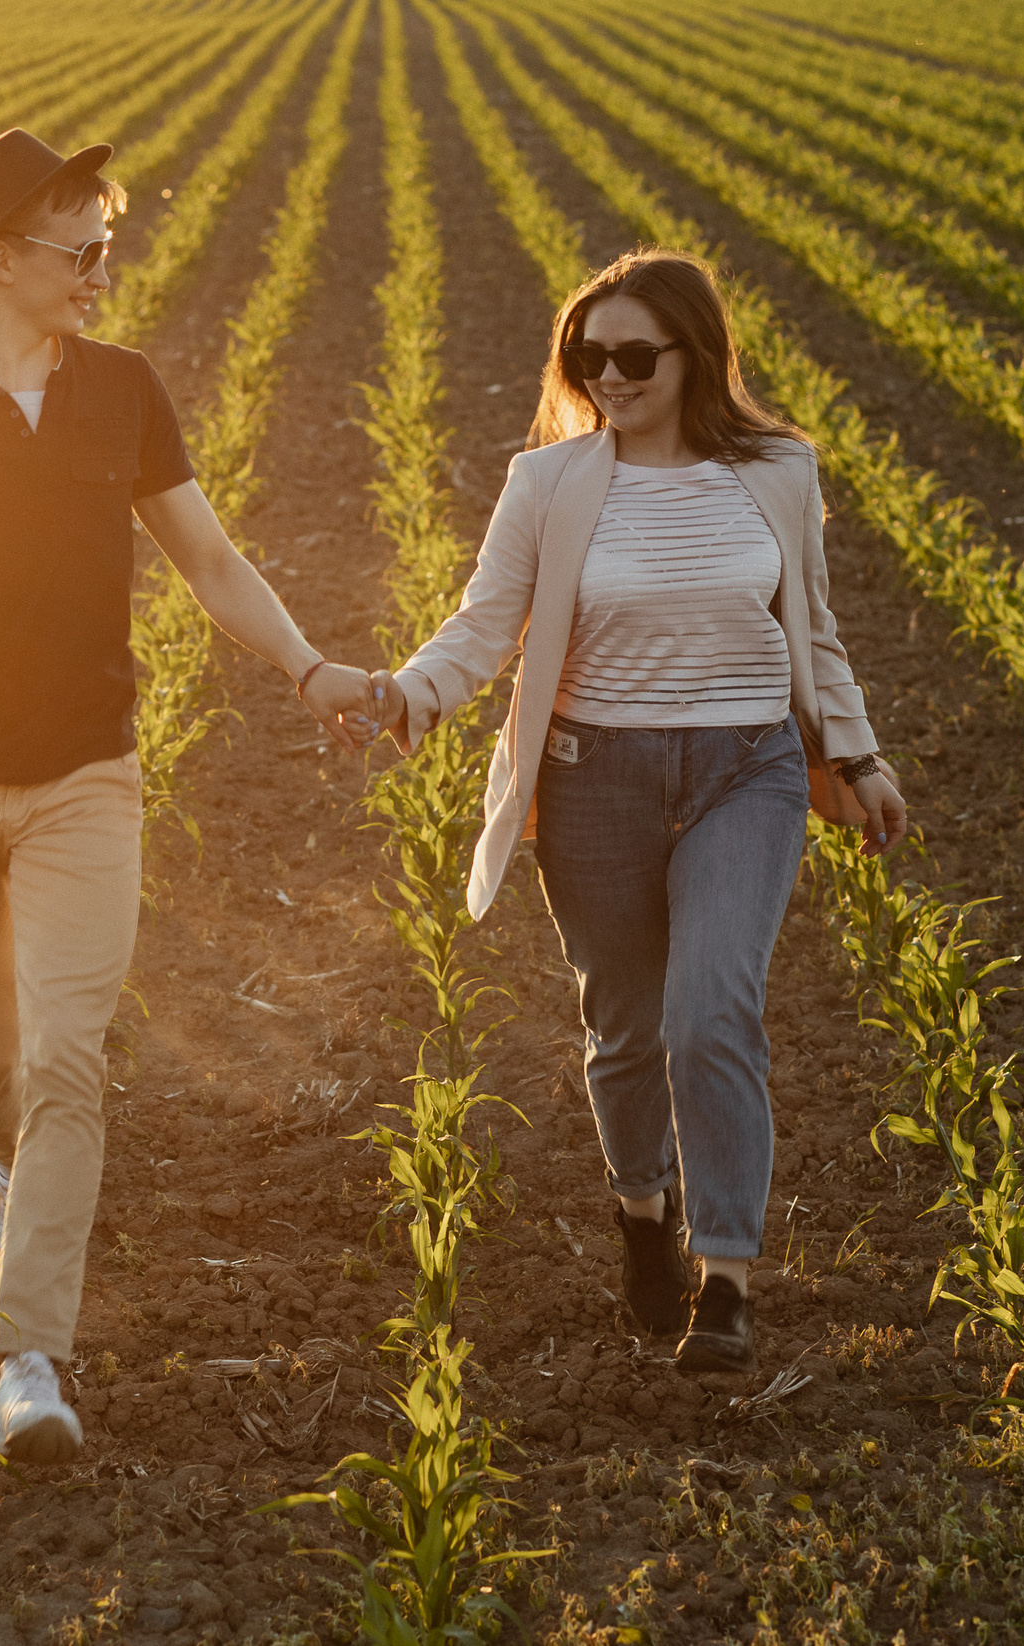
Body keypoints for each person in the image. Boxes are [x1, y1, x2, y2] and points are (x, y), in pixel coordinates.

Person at [0, 129, 381, 1463]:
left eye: (110, 244)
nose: (105, 269)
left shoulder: (121, 392)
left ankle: (29, 1363)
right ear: (1, 258)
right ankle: (18, 1167)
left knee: (63, 1055)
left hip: (85, 779)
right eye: (82, 248)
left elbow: (210, 560)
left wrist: (311, 667)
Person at [371, 249, 906, 1375]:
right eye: (585, 354)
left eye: (631, 354)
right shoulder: (549, 482)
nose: (605, 374)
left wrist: (854, 755)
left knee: (711, 1011)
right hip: (594, 777)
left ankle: (725, 1280)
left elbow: (813, 624)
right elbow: (485, 624)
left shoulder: (777, 471)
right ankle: (640, 1215)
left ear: (694, 355)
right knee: (624, 1029)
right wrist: (411, 693)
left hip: (744, 772)